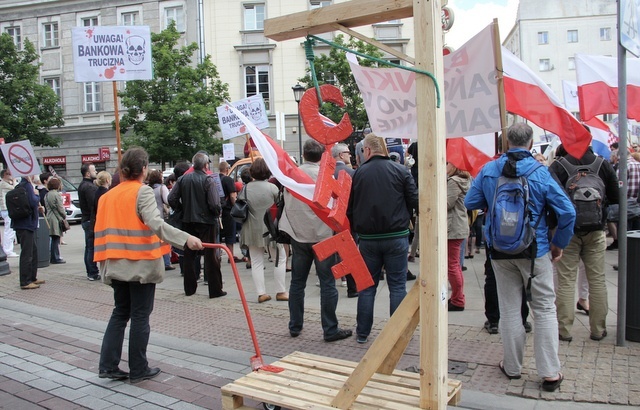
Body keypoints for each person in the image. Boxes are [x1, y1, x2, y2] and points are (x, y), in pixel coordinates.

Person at [465, 122, 575, 392]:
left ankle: (512, 367)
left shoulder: (489, 170)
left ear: (505, 143)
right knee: (545, 309)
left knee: (510, 310)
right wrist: (557, 244)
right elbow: (567, 212)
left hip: (500, 250)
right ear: (530, 142)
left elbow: (470, 203)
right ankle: (549, 372)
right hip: (535, 249)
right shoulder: (540, 172)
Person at [95, 147, 203, 383]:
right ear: (143, 169)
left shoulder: (107, 196)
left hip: (114, 263)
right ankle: (138, 368)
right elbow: (156, 224)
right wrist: (185, 239)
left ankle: (108, 365)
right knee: (140, 315)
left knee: (120, 313)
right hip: (140, 264)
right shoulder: (141, 192)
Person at [348, 133, 418, 344]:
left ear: (367, 150)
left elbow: (350, 208)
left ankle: (362, 333)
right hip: (396, 236)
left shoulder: (359, 174)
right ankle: (397, 334)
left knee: (367, 287)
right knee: (397, 286)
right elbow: (415, 200)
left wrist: (357, 231)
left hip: (368, 238)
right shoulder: (401, 171)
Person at [281, 139, 352, 342]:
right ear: (322, 156)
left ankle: (295, 325)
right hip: (323, 236)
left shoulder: (292, 177)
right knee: (327, 283)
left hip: (299, 236)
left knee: (297, 283)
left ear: (303, 155)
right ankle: (330, 329)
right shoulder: (325, 177)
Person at [549, 138, 618, 342]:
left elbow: (551, 199)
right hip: (596, 231)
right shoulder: (602, 164)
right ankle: (598, 329)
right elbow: (616, 197)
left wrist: (555, 231)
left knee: (566, 280)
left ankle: (564, 330)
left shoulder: (559, 165)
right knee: (597, 280)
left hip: (567, 231)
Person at [168, 152, 225, 298]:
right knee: (211, 256)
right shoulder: (208, 180)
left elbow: (171, 198)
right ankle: (215, 289)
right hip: (207, 222)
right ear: (206, 165)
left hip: (189, 221)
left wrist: (182, 209)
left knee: (189, 256)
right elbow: (214, 203)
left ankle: (189, 288)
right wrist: (217, 212)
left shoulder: (182, 179)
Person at [239, 158, 287, 303]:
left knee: (257, 261)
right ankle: (281, 291)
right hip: (271, 229)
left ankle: (261, 293)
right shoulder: (272, 188)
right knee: (279, 259)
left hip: (251, 228)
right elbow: (280, 207)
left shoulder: (245, 188)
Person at [331, 143, 358, 298]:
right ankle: (351, 286)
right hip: (349, 217)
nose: (350, 155)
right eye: (348, 152)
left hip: (330, 217)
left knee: (334, 249)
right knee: (349, 251)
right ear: (341, 155)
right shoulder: (352, 173)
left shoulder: (327, 173)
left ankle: (334, 279)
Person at [13, 175, 45, 290]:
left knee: (33, 251)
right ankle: (25, 281)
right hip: (26, 224)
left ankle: (32, 277)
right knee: (27, 253)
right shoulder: (27, 186)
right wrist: (36, 196)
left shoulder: (22, 185)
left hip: (26, 224)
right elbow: (32, 202)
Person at [446, 162, 471, 311]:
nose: (446, 166)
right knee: (455, 264)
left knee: (452, 265)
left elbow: (447, 203)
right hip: (458, 225)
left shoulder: (454, 182)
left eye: (448, 163)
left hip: (453, 227)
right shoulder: (464, 180)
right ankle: (457, 297)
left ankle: (458, 299)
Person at [78, 162, 100, 281]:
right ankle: (92, 271)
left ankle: (91, 271)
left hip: (87, 219)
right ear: (87, 173)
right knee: (91, 247)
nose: (95, 172)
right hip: (90, 220)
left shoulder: (84, 185)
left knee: (89, 247)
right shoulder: (89, 187)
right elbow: (94, 204)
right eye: (93, 170)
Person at [148, 170, 173, 271]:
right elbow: (168, 200)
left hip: (151, 216)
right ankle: (166, 262)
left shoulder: (148, 188)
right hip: (161, 216)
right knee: (164, 240)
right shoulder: (162, 188)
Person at [218, 161, 238, 262]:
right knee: (230, 235)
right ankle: (231, 256)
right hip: (228, 211)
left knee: (218, 235)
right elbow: (232, 196)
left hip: (217, 211)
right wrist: (236, 207)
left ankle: (217, 255)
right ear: (227, 169)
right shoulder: (228, 179)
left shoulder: (215, 179)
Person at [44, 177, 67, 264]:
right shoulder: (56, 194)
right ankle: (56, 257)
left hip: (49, 216)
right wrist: (64, 215)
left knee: (53, 238)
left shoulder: (47, 194)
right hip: (55, 218)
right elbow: (60, 208)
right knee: (56, 239)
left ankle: (53, 256)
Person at [0, 169, 18, 257]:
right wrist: (14, 180)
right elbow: (15, 189)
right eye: (8, 174)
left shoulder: (5, 183)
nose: (10, 175)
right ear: (4, 175)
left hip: (6, 209)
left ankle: (8, 249)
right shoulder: (3, 184)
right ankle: (8, 250)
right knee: (9, 230)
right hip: (6, 209)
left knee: (10, 229)